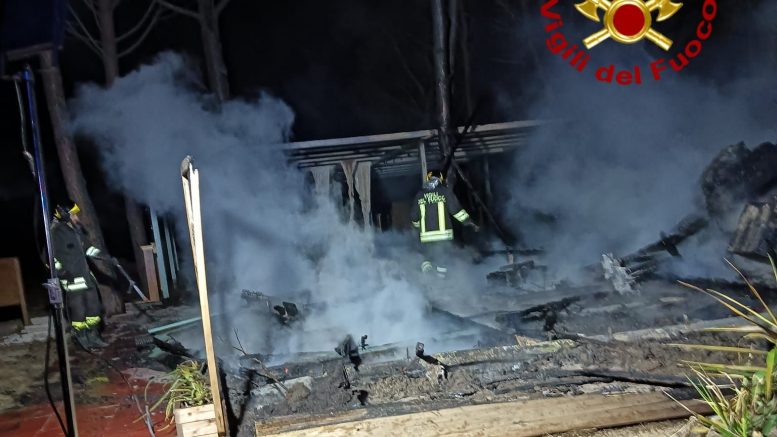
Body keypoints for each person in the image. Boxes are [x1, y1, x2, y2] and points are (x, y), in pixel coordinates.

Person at [51, 203, 108, 349]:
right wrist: (63, 273)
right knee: (79, 312)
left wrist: (105, 257)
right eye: (73, 214)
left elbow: (88, 249)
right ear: (64, 214)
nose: (76, 217)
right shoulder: (55, 233)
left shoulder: (75, 230)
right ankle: (81, 338)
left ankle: (93, 336)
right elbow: (50, 258)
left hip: (86, 277)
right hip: (72, 281)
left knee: (94, 308)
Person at [410, 169, 478, 277]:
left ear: (428, 179)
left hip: (426, 238)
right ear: (441, 180)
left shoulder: (420, 195)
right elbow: (456, 210)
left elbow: (414, 216)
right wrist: (469, 222)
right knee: (442, 261)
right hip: (444, 237)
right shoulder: (445, 192)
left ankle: (428, 277)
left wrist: (417, 228)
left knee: (427, 258)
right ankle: (440, 281)